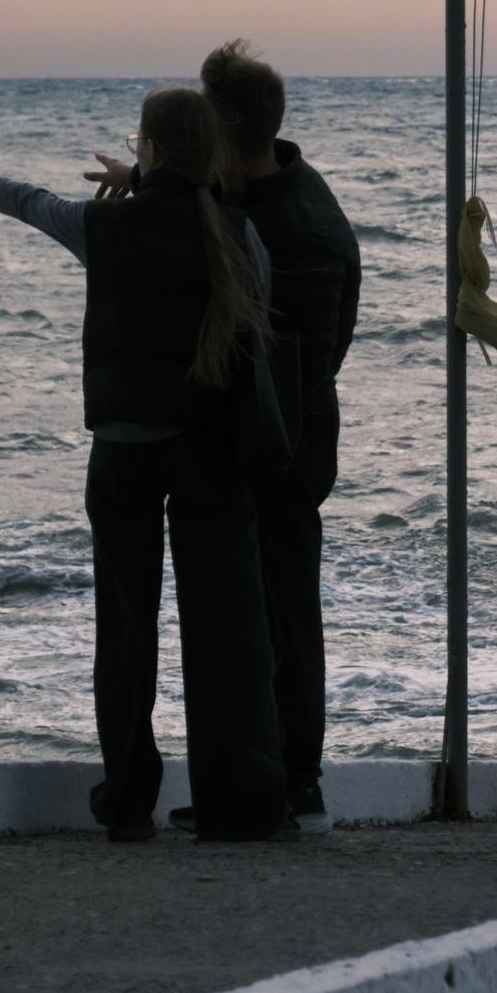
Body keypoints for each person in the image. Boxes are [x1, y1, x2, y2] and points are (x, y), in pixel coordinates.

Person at [0, 86, 290, 845]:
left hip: (123, 453)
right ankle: (239, 804)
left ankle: (127, 801)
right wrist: (158, 180)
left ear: (150, 149)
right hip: (210, 455)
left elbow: (29, 203)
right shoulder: (235, 232)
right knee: (225, 633)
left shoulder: (105, 225)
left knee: (126, 633)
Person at [200, 42, 361, 832]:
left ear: (222, 129)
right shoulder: (309, 196)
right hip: (307, 423)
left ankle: (291, 779)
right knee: (277, 604)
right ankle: (276, 775)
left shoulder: (274, 226)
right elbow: (341, 335)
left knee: (276, 611)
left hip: (274, 434)